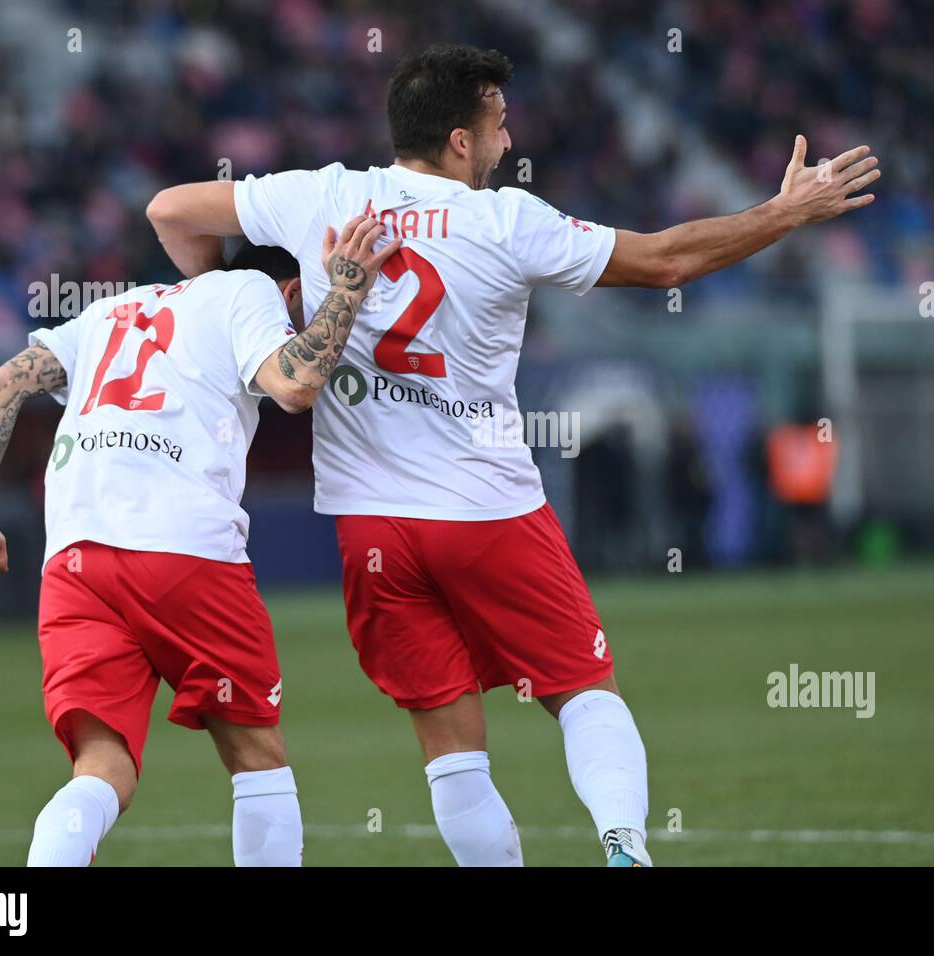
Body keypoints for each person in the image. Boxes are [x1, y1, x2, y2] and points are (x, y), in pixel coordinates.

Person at [146, 42, 879, 867]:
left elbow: (170, 211)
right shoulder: (508, 221)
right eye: (498, 121)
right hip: (488, 510)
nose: (507, 137)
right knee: (583, 694)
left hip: (372, 526)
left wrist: (232, 303)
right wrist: (784, 213)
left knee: (451, 749)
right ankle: (624, 846)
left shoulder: (318, 195)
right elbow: (667, 259)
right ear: (461, 139)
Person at [0, 218, 398, 865]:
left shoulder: (111, 309)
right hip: (182, 550)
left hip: (75, 556)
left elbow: (1, 385)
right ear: (293, 291)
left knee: (102, 767)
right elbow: (296, 385)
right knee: (255, 757)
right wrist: (348, 291)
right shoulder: (250, 292)